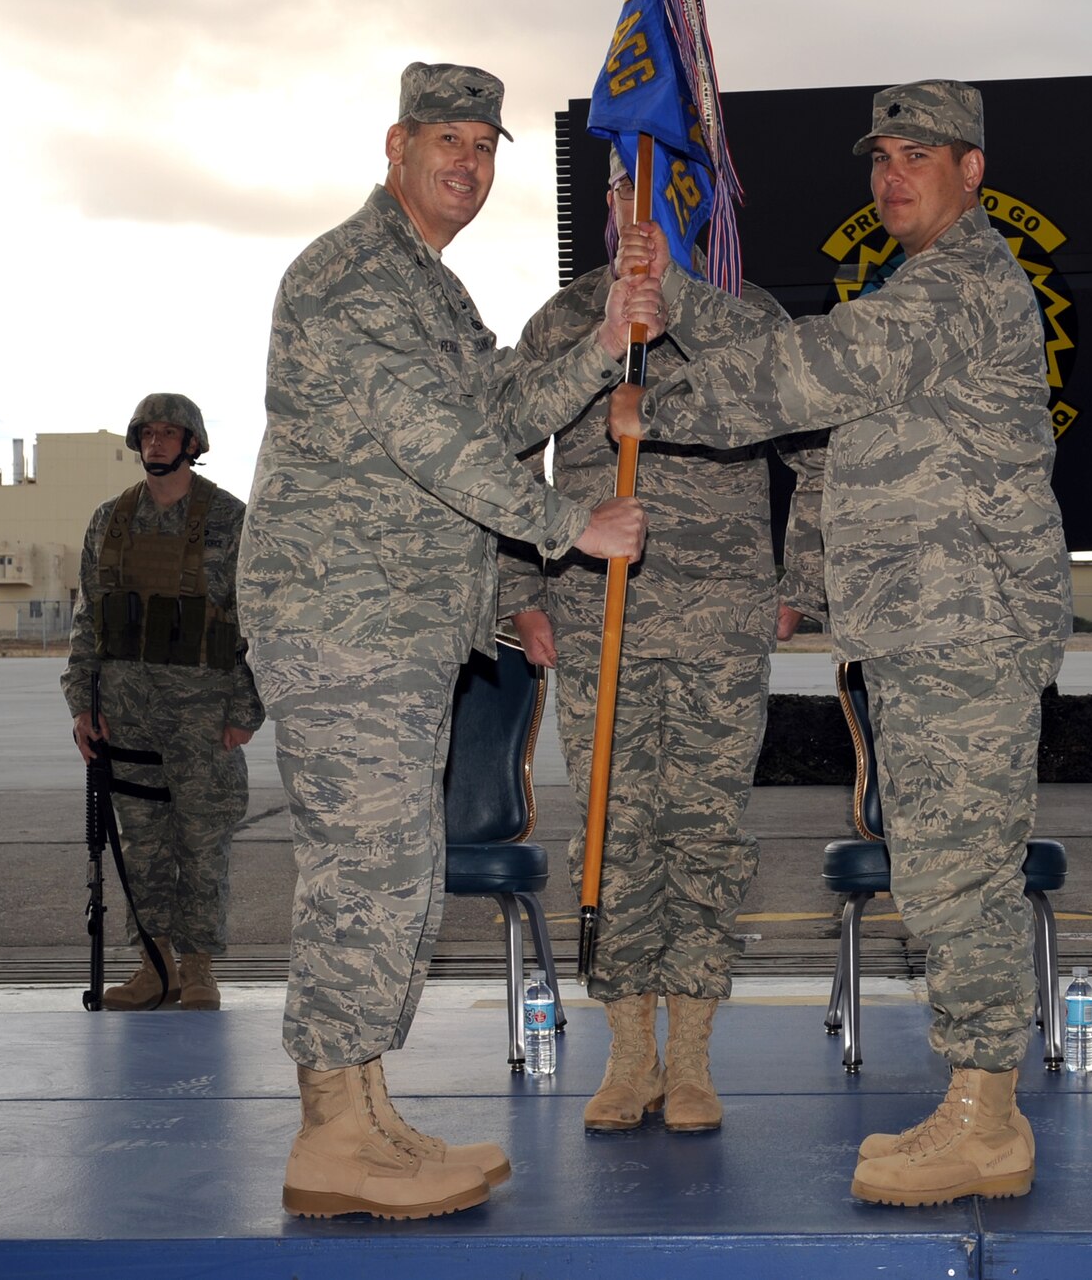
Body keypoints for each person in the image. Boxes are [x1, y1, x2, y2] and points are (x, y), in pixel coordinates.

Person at [608, 79, 1072, 1207]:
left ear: (972, 172)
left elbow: (810, 369)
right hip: (926, 627)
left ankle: (987, 1117)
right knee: (940, 869)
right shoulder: (924, 284)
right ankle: (972, 1100)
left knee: (960, 876)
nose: (893, 173)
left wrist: (652, 410)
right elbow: (800, 343)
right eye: (881, 157)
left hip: (963, 630)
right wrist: (676, 301)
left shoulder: (959, 284)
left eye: (921, 154)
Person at [238, 62, 656, 1222]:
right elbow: (436, 443)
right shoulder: (349, 276)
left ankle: (364, 1108)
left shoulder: (434, 292)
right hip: (340, 619)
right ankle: (331, 1133)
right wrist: (573, 524)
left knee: (394, 875)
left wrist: (601, 344)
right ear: (395, 145)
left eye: (484, 145)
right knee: (363, 873)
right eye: (447, 141)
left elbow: (500, 410)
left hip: (399, 626)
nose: (467, 164)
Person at [506, 149, 825, 1136]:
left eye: (664, 192)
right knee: (608, 832)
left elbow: (817, 450)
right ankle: (626, 1053)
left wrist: (797, 584)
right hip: (596, 614)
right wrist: (521, 591)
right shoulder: (565, 322)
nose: (641, 208)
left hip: (721, 619)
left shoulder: (747, 318)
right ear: (606, 205)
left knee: (704, 837)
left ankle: (689, 1059)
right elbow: (509, 451)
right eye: (626, 190)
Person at [64, 393, 262, 1013]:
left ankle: (199, 970)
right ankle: (155, 967)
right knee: (143, 845)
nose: (156, 443)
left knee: (202, 845)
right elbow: (88, 619)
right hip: (126, 712)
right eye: (147, 433)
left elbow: (260, 619)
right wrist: (81, 702)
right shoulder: (110, 520)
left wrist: (246, 709)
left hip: (204, 715)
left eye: (169, 433)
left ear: (193, 444)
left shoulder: (231, 520)